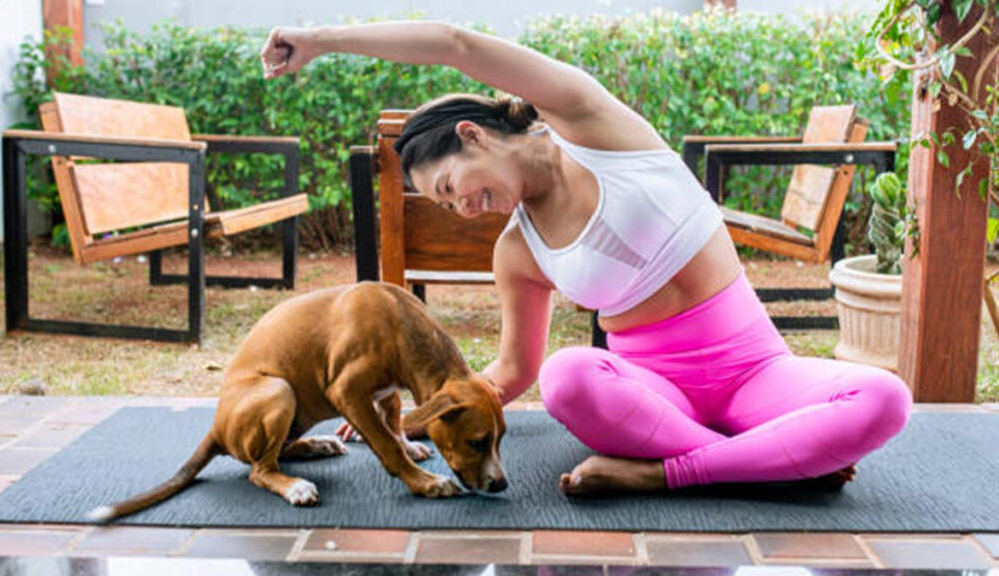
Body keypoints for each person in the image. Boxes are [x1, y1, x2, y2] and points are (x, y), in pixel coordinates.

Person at [260, 21, 913, 495]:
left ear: (473, 135)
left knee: (885, 398)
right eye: (445, 205)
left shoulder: (594, 125)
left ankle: (671, 475)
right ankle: (770, 461)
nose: (459, 208)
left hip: (754, 372)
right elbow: (514, 370)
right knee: (568, 376)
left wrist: (320, 41)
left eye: (450, 188)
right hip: (650, 397)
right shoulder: (517, 250)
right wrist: (433, 413)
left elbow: (457, 45)